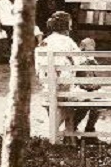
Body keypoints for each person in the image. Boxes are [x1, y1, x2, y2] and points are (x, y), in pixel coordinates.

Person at [34, 11, 82, 142]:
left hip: (48, 87)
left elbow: (38, 69)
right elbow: (80, 62)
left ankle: (64, 136)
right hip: (63, 87)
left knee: (61, 104)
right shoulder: (68, 42)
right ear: (66, 26)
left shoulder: (44, 42)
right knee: (74, 103)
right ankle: (54, 134)